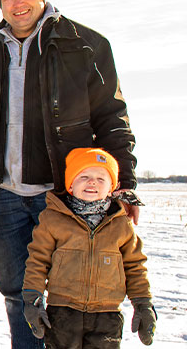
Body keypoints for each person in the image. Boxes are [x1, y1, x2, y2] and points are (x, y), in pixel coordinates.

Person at [0, 0, 139, 349]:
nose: (18, 3)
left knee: (69, 295)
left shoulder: (85, 46)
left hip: (65, 198)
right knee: (15, 292)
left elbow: (113, 117)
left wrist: (124, 184)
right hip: (4, 196)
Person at [22, 148, 156, 348]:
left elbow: (135, 266)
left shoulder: (120, 225)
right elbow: (37, 261)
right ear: (70, 184)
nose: (92, 182)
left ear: (113, 187)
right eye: (84, 176)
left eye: (101, 178)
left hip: (107, 315)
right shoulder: (53, 219)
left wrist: (143, 303)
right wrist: (33, 297)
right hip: (62, 313)